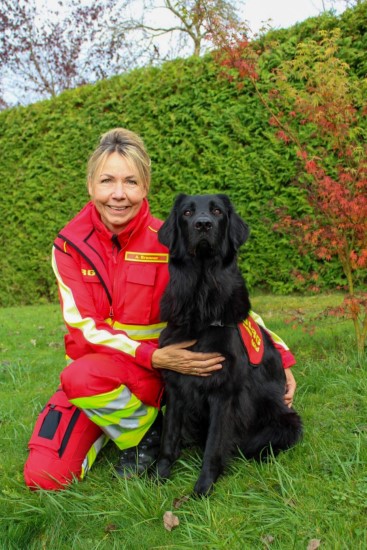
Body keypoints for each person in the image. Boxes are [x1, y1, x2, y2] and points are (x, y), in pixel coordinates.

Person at [24, 128, 297, 491]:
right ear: (91, 185)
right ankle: (136, 428)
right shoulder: (68, 247)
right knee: (44, 476)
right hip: (102, 375)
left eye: (130, 182)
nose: (118, 194)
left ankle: (144, 437)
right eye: (107, 181)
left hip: (159, 379)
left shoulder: (171, 238)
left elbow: (227, 302)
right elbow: (82, 327)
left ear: (145, 187)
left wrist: (281, 356)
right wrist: (153, 356)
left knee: (90, 379)